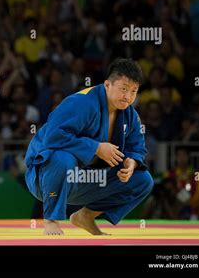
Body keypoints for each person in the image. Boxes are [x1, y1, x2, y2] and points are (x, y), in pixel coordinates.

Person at [24, 58, 153, 235]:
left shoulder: (130, 114)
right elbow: (52, 137)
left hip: (87, 180)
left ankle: (85, 216)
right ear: (107, 85)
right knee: (62, 158)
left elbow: (137, 147)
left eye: (133, 91)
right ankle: (51, 220)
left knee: (143, 180)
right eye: (123, 89)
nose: (128, 96)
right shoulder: (81, 103)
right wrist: (96, 148)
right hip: (45, 177)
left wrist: (132, 162)